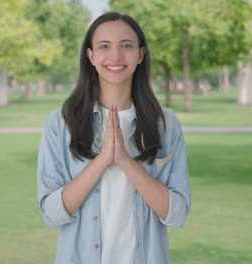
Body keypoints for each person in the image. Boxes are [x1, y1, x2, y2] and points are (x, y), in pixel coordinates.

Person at [37, 11, 191, 264]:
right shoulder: (60, 123)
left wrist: (126, 162)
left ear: (140, 54)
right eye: (104, 46)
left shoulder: (167, 125)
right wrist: (101, 161)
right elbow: (52, 215)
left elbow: (177, 215)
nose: (116, 56)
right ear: (91, 56)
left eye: (127, 46)